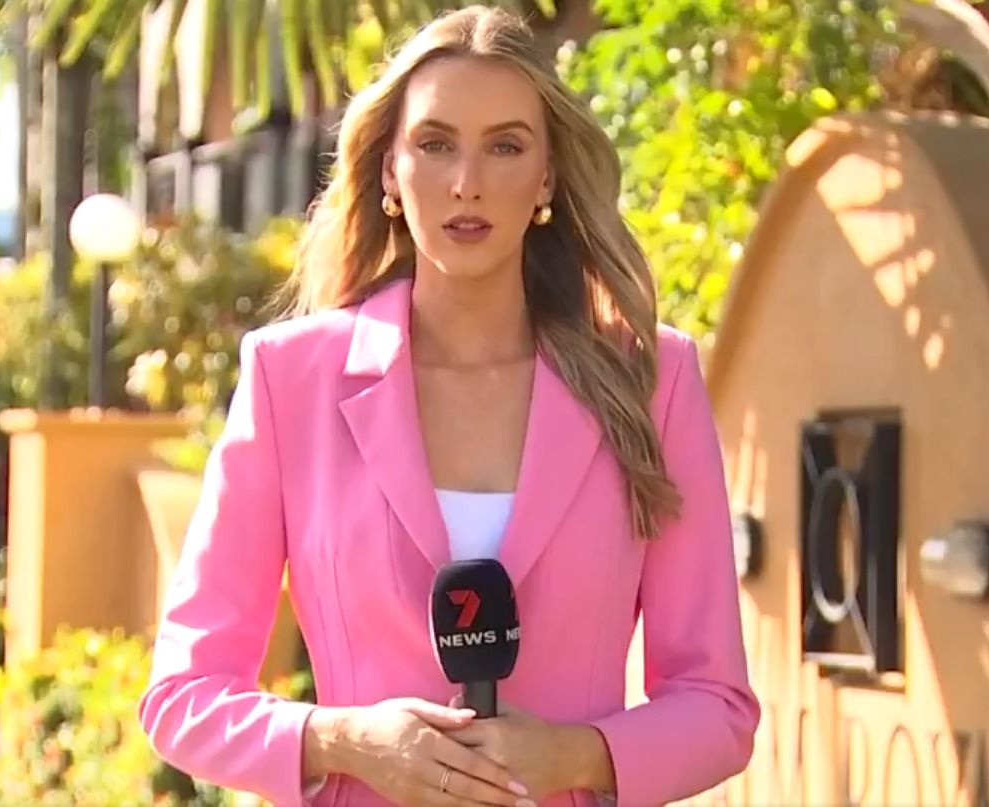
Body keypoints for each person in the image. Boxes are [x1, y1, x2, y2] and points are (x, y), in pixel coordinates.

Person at [137, 5, 760, 806]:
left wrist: (575, 755)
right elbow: (183, 695)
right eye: (435, 144)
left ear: (547, 177)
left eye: (506, 146)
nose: (468, 181)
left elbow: (717, 707)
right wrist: (345, 738)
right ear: (389, 171)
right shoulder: (290, 379)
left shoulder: (650, 379)